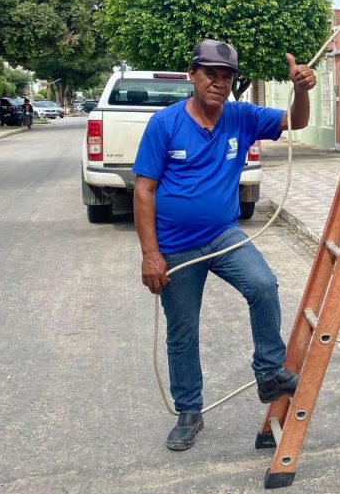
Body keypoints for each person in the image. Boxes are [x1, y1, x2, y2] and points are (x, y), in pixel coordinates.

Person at [133, 39, 317, 451]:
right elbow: (143, 191)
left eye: (227, 76)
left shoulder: (241, 117)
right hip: (175, 246)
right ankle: (189, 411)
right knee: (183, 332)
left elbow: (296, 122)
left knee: (263, 284)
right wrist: (150, 254)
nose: (218, 82)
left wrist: (302, 88)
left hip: (223, 234)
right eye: (210, 73)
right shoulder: (165, 124)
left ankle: (269, 371)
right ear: (192, 74)